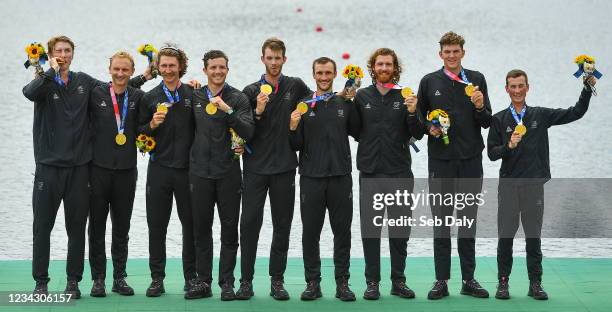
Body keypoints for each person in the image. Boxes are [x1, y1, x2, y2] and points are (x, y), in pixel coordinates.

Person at [22, 35, 149, 298]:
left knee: (77, 229)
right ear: (50, 54)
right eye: (59, 51)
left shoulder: (84, 82)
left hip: (79, 169)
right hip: (48, 167)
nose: (64, 55)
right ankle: (41, 282)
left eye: (68, 51)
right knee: (42, 227)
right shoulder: (43, 83)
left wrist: (145, 77)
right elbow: (29, 93)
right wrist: (50, 71)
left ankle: (73, 281)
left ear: (73, 54)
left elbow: (116, 88)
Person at [488, 69, 596, 300]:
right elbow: (491, 154)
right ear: (506, 89)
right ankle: (503, 283)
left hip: (533, 186)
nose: (517, 91)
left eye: (521, 86)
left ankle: (535, 284)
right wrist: (509, 146)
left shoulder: (540, 115)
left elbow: (575, 113)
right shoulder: (498, 119)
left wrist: (586, 89)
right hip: (508, 187)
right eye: (513, 87)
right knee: (505, 237)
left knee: (533, 237)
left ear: (528, 87)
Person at [416, 31, 491, 300]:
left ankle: (469, 279)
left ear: (463, 52)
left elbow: (486, 121)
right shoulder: (428, 82)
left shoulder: (477, 79)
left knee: (468, 222)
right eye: (446, 52)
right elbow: (417, 121)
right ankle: (441, 281)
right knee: (442, 223)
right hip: (441, 162)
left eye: (455, 51)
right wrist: (429, 128)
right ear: (440, 54)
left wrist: (481, 107)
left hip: (471, 160)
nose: (451, 55)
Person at [236, 37, 311, 300]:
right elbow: (243, 130)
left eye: (278, 58)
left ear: (284, 60)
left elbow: (315, 105)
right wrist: (257, 111)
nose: (274, 62)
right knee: (249, 224)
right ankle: (245, 281)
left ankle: (276, 281)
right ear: (262, 59)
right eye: (270, 58)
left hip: (285, 168)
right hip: (255, 168)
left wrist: (347, 95)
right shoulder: (249, 91)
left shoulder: (296, 85)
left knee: (282, 225)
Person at [288, 57, 360, 301]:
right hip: (311, 177)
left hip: (341, 176)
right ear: (313, 74)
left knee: (342, 232)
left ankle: (342, 283)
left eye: (328, 72)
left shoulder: (344, 102)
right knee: (311, 232)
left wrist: (355, 102)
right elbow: (295, 144)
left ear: (335, 74)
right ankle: (313, 283)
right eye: (320, 72)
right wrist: (292, 125)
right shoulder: (304, 104)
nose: (324, 77)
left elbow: (359, 132)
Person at [185, 50, 254, 301]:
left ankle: (227, 283)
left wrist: (227, 110)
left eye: (221, 67)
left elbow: (248, 131)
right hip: (200, 173)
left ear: (227, 69)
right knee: (201, 230)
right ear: (205, 70)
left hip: (228, 173)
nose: (217, 71)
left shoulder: (238, 97)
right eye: (212, 67)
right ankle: (203, 282)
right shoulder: (194, 96)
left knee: (228, 229)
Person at [355, 48, 422, 300]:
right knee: (371, 230)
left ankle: (399, 281)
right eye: (380, 64)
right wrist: (345, 100)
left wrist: (414, 111)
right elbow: (353, 130)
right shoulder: (362, 96)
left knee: (399, 229)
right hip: (370, 172)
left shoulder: (405, 96)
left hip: (399, 172)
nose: (384, 68)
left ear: (395, 68)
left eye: (389, 64)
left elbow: (418, 132)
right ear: (373, 67)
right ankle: (372, 282)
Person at [138, 45, 197, 297]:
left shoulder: (194, 94)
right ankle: (156, 279)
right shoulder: (149, 97)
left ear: (181, 66)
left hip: (187, 171)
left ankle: (191, 278)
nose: (168, 70)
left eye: (173, 65)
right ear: (158, 68)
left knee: (191, 227)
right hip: (159, 170)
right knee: (157, 226)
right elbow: (139, 137)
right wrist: (151, 124)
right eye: (164, 65)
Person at [88, 51, 145, 297]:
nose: (120, 74)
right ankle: (98, 279)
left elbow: (145, 127)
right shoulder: (96, 94)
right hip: (97, 171)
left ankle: (119, 278)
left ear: (132, 72)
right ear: (109, 69)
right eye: (116, 69)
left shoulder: (139, 97)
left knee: (122, 228)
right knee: (97, 227)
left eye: (125, 70)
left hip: (125, 172)